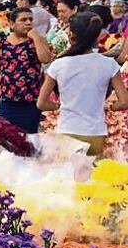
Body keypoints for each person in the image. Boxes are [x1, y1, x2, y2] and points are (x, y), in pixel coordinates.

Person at [37, 11, 128, 156]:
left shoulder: (58, 65)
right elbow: (124, 103)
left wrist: (60, 106)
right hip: (96, 132)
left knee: (67, 176)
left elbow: (41, 104)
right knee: (91, 175)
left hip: (67, 129)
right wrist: (109, 106)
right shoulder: (109, 64)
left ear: (71, 35)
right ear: (97, 36)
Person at [0, 7, 53, 133]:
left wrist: (36, 37)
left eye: (30, 19)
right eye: (23, 20)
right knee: (6, 136)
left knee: (28, 139)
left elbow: (45, 59)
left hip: (30, 101)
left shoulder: (37, 41)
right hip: (7, 100)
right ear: (12, 24)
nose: (28, 23)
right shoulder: (1, 43)